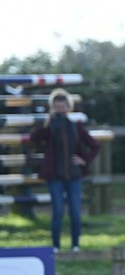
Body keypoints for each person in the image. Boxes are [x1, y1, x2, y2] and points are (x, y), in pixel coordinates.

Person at [25, 88, 100, 252]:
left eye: (63, 106)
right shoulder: (49, 127)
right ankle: (56, 246)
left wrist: (84, 160)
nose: (61, 110)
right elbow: (34, 139)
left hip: (74, 176)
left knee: (75, 211)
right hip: (55, 176)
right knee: (58, 211)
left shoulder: (76, 126)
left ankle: (75, 245)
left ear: (69, 107)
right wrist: (46, 124)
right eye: (57, 107)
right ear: (53, 108)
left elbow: (94, 145)